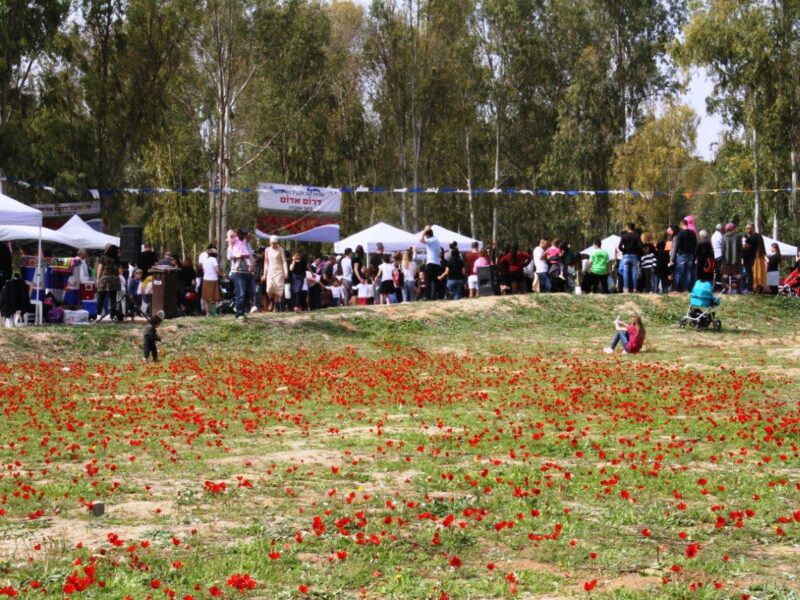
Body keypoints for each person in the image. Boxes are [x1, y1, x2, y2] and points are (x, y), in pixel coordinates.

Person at [229, 229, 254, 321]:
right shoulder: (234, 243)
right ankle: (240, 314)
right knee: (241, 293)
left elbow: (250, 257)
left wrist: (252, 267)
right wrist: (239, 256)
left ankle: (239, 307)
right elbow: (230, 256)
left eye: (249, 237)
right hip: (238, 273)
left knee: (251, 292)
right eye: (247, 236)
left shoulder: (248, 245)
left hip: (249, 273)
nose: (249, 238)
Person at [262, 236, 288, 312]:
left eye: (275, 243)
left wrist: (286, 272)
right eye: (272, 243)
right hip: (270, 271)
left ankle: (275, 306)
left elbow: (284, 261)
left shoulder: (281, 249)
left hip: (279, 272)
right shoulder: (267, 250)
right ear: (270, 242)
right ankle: (271, 301)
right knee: (269, 288)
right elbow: (266, 262)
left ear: (277, 243)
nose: (273, 245)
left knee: (277, 290)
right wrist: (264, 273)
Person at [95, 244, 121, 320]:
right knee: (113, 298)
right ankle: (112, 315)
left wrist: (97, 279)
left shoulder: (103, 258)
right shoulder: (117, 259)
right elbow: (119, 271)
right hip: (115, 279)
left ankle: (99, 315)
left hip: (104, 279)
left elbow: (99, 269)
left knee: (101, 297)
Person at [671, 219, 697, 292]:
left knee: (679, 271)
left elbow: (677, 245)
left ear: (682, 224)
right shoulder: (693, 233)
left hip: (682, 254)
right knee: (688, 271)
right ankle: (686, 288)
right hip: (691, 254)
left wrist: (673, 257)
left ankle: (675, 288)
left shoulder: (680, 233)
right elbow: (695, 245)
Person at [618, 223, 642, 293]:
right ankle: (634, 288)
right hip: (634, 255)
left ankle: (626, 288)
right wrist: (636, 250)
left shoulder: (624, 236)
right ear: (633, 228)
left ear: (628, 228)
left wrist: (624, 251)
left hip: (626, 256)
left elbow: (619, 246)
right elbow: (641, 245)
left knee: (625, 272)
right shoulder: (637, 235)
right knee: (634, 272)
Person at [420, 225, 442, 300]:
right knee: (435, 281)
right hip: (437, 263)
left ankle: (427, 296)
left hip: (431, 263)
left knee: (428, 280)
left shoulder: (431, 240)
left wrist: (424, 231)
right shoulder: (437, 240)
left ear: (427, 235)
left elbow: (420, 240)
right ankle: (437, 295)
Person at [199, 246, 221, 316]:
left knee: (206, 297)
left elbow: (203, 270)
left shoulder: (204, 260)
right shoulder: (214, 260)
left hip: (206, 279)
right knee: (215, 297)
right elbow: (217, 270)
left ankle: (207, 313)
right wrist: (220, 273)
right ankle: (215, 312)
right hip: (213, 279)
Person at [722, 223, 742, 292]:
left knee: (725, 274)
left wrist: (723, 258)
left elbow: (723, 249)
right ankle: (738, 289)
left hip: (726, 259)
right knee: (738, 274)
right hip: (736, 259)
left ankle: (725, 289)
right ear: (733, 228)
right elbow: (740, 248)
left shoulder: (724, 236)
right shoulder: (738, 236)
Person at [741, 223, 758, 293]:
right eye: (746, 228)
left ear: (753, 228)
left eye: (749, 228)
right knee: (745, 273)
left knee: (749, 274)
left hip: (750, 258)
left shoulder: (753, 237)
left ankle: (749, 289)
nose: (747, 230)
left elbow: (746, 247)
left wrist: (741, 245)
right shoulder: (746, 237)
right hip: (745, 258)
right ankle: (746, 287)